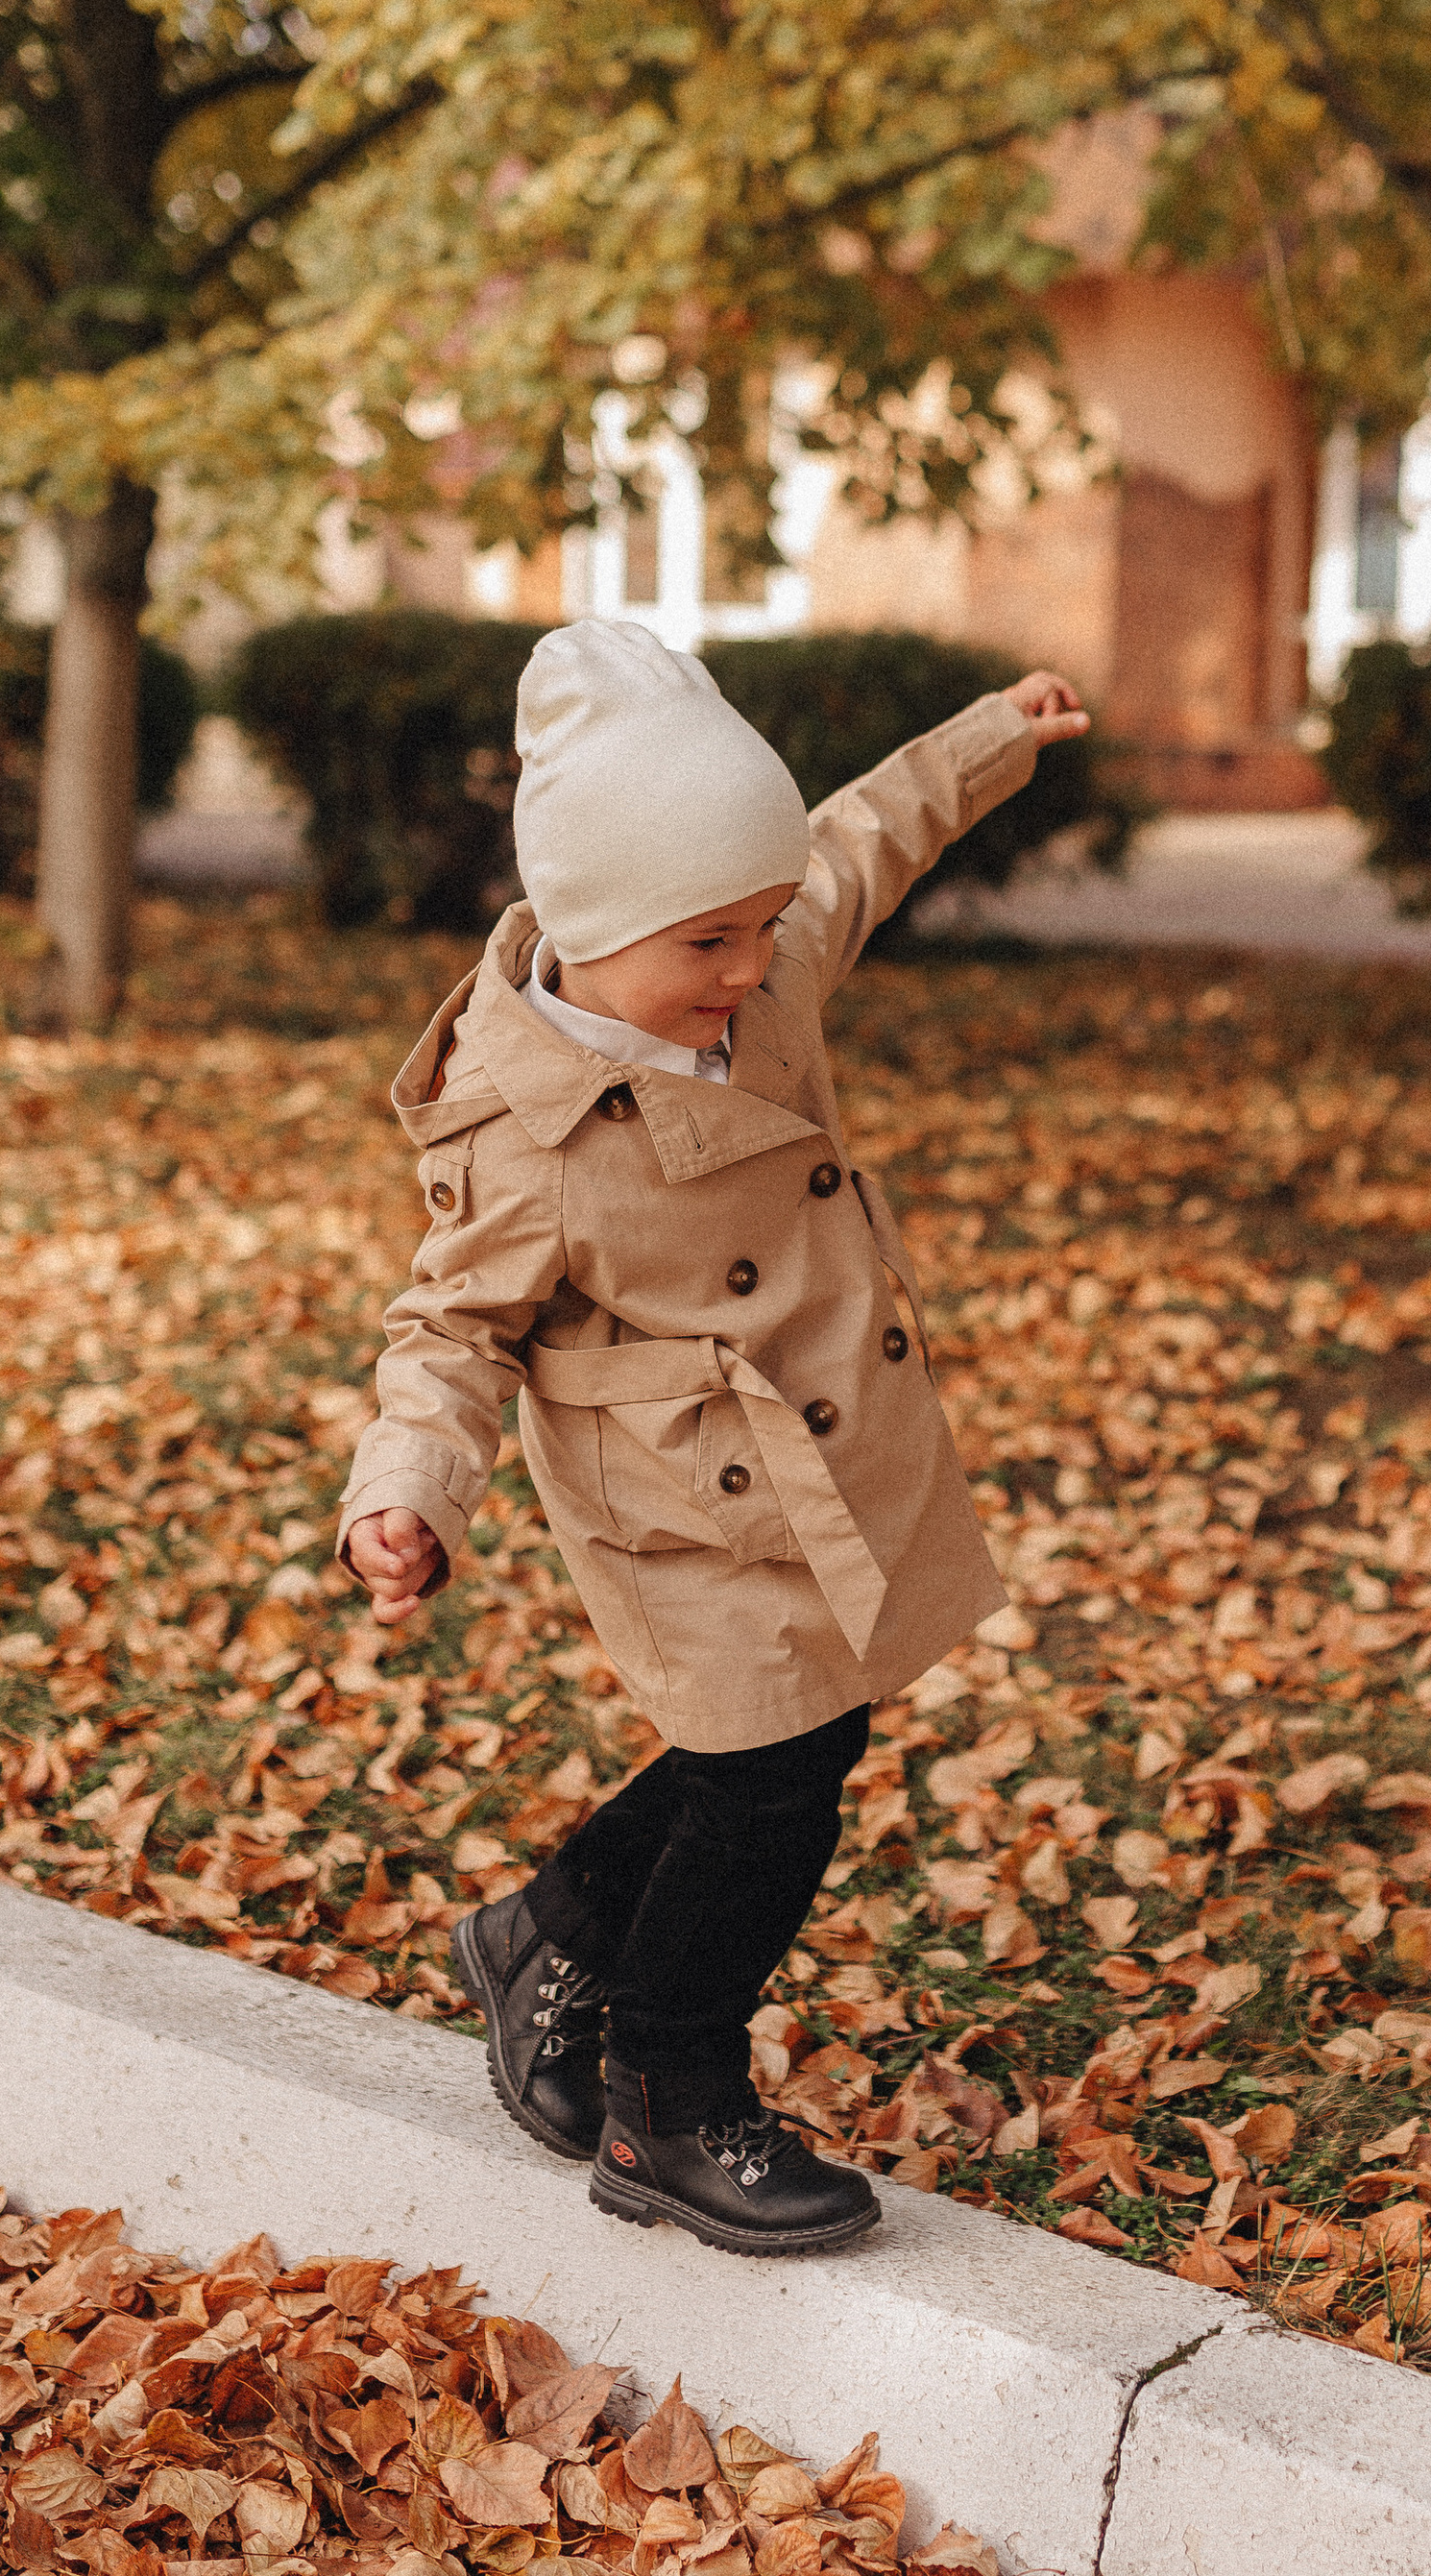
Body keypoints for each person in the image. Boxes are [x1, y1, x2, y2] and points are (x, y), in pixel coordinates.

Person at [336, 620, 1086, 2257]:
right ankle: (668, 2095)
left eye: (760, 929)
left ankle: (549, 1928)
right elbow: (448, 1330)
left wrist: (990, 737)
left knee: (790, 1744)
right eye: (711, 944)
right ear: (597, 934)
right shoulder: (525, 1135)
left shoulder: (756, 950)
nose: (752, 968)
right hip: (680, 1496)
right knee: (773, 1784)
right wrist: (405, 1492)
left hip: (817, 1444)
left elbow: (856, 843)